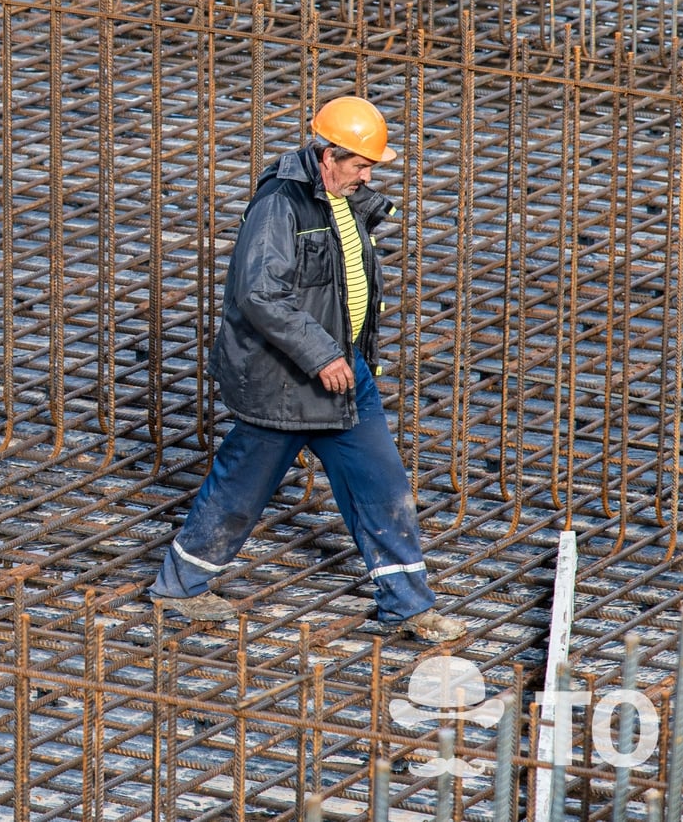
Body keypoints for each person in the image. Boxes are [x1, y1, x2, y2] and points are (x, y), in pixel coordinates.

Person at [148, 96, 467, 643]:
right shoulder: (280, 206)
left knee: (382, 483)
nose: (367, 176)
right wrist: (321, 354)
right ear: (327, 155)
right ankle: (178, 589)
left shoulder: (340, 200)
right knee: (240, 489)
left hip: (344, 376)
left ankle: (408, 605)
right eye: (360, 165)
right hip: (285, 381)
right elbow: (260, 294)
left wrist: (343, 358)